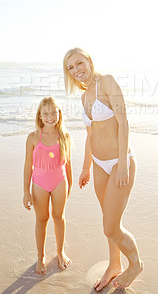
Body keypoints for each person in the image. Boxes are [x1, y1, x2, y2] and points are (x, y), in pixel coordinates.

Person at [63, 48, 143, 291]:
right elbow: (90, 135)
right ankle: (114, 264)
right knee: (110, 220)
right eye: (71, 68)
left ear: (89, 61)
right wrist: (86, 166)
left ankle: (136, 264)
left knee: (110, 226)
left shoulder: (107, 82)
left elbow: (123, 121)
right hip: (98, 165)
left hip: (119, 162)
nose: (77, 70)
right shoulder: (84, 96)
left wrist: (122, 165)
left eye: (79, 63)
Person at [23, 96, 72, 275]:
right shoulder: (33, 137)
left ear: (59, 114)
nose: (50, 116)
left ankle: (60, 252)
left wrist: (70, 184)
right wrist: (25, 191)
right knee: (41, 220)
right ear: (40, 116)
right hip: (39, 184)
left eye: (54, 112)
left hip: (60, 182)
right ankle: (40, 256)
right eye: (46, 113)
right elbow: (28, 166)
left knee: (59, 217)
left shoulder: (64, 135)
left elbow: (68, 163)